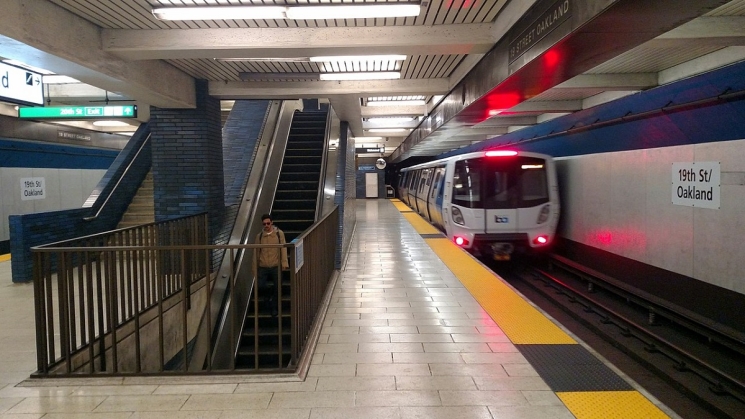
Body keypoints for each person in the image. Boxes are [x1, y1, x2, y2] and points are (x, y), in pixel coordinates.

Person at [254, 214, 288, 316]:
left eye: (268, 223)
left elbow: (283, 248)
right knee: (260, 286)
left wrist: (284, 262)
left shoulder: (279, 234)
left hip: (275, 265)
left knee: (278, 287)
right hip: (263, 266)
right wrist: (254, 267)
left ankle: (274, 308)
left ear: (272, 223)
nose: (266, 225)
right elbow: (256, 252)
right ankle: (268, 294)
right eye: (264, 224)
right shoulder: (259, 236)